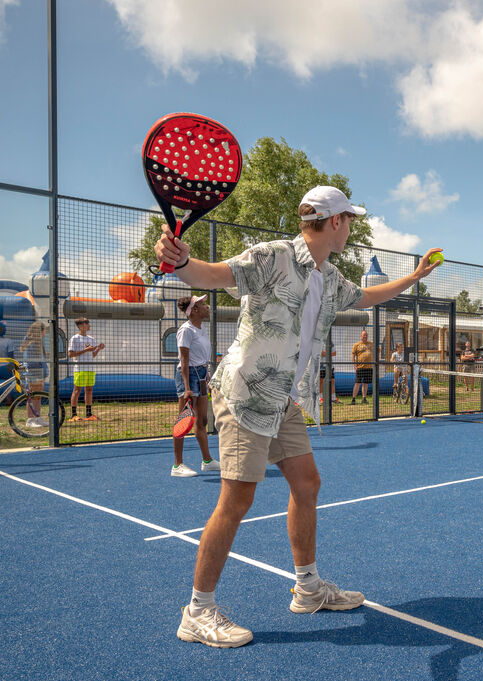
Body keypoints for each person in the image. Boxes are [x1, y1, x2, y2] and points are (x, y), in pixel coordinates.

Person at [154, 184, 441, 648]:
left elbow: (366, 297)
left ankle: (308, 589)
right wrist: (183, 262)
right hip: (246, 395)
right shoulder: (274, 255)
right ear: (333, 222)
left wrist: (413, 277)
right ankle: (198, 611)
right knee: (236, 500)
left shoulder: (329, 278)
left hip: (284, 400)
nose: (352, 226)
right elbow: (215, 275)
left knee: (307, 483)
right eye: (349, 219)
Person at [171, 295, 220, 477]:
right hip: (189, 375)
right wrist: (186, 388)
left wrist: (206, 376)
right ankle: (177, 465)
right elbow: (184, 360)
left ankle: (207, 461)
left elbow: (201, 357)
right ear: (195, 310)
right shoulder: (186, 330)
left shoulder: (201, 328)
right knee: (183, 421)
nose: (207, 307)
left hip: (201, 374)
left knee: (202, 421)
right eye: (203, 304)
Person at [68, 317, 103, 422]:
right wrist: (85, 350)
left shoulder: (91, 338)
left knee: (89, 390)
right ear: (80, 326)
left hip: (90, 368)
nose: (89, 325)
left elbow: (92, 355)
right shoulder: (75, 338)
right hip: (80, 368)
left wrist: (98, 349)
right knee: (77, 390)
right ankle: (74, 415)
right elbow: (70, 354)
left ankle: (89, 414)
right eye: (86, 323)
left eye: (88, 323)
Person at [18, 320, 49, 428]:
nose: (46, 332)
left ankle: (37, 417)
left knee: (38, 397)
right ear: (39, 331)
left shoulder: (39, 343)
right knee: (33, 396)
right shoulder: (31, 344)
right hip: (34, 374)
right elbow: (29, 361)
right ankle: (30, 419)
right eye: (44, 330)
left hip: (40, 374)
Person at [351, 329, 372, 405]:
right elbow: (353, 355)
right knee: (357, 383)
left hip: (369, 367)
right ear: (361, 336)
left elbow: (378, 350)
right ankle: (353, 399)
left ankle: (364, 398)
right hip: (360, 367)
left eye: (366, 335)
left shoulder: (371, 344)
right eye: (364, 335)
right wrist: (354, 365)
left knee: (365, 383)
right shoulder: (357, 345)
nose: (365, 336)